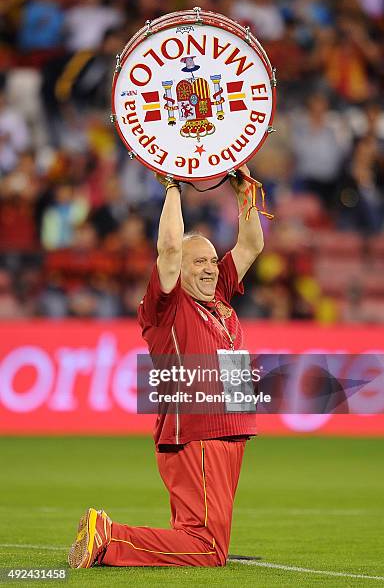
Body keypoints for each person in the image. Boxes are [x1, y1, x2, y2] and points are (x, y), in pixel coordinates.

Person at [67, 164, 264, 568]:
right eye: (200, 263)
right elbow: (171, 249)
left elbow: (251, 246)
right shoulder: (168, 304)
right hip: (198, 430)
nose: (210, 268)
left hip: (230, 427)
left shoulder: (219, 292)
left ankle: (118, 540)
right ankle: (109, 534)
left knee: (201, 542)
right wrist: (174, 186)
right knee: (207, 550)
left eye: (212, 259)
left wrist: (244, 191)